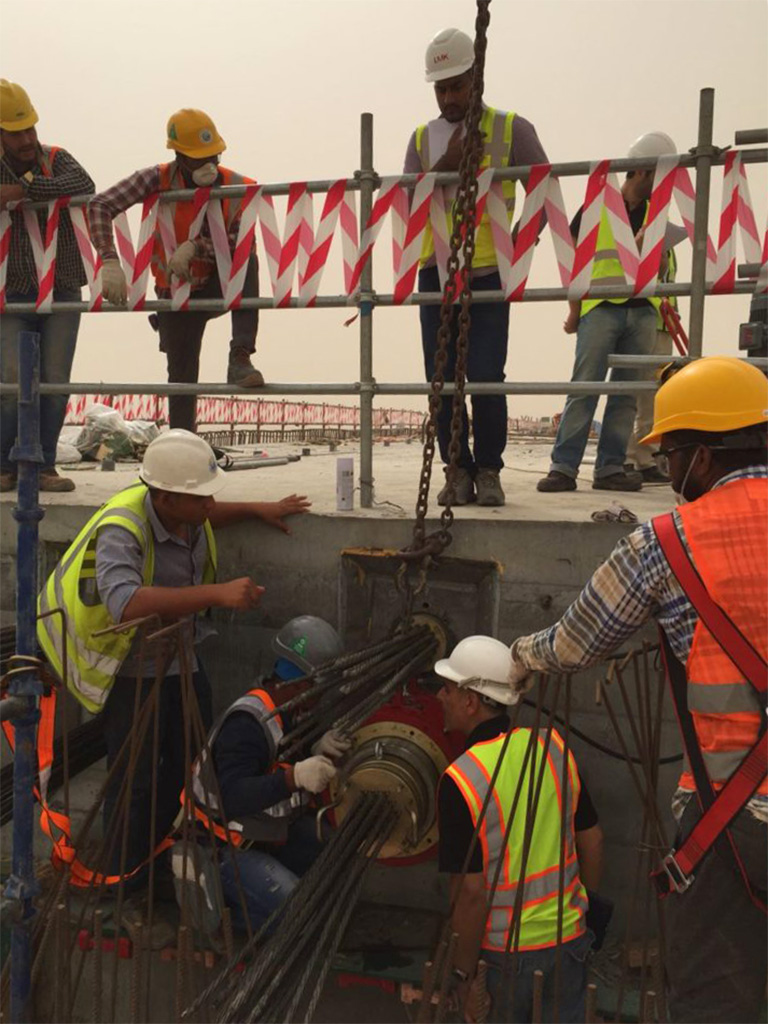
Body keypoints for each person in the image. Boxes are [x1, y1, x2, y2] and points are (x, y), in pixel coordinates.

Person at [508, 357, 768, 1023]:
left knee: (718, 997)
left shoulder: (665, 542)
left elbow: (574, 645)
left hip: (737, 818)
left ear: (703, 457)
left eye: (671, 454)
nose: (666, 470)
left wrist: (519, 655)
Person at [36, 429, 310, 883]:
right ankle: (125, 874)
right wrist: (218, 594)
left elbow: (207, 514)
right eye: (200, 499)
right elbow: (123, 600)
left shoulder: (183, 511)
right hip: (128, 665)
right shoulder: (121, 529)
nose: (208, 506)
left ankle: (165, 855)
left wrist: (257, 509)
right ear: (163, 497)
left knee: (195, 762)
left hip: (180, 655)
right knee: (133, 778)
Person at [404, 28, 549, 507]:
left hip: (488, 271)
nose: (449, 97)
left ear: (477, 77)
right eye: (440, 88)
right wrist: (443, 167)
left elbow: (544, 192)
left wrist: (518, 251)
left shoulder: (512, 129)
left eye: (457, 85)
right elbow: (405, 205)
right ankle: (456, 469)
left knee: (486, 376)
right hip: (436, 273)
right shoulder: (424, 139)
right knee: (441, 378)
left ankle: (488, 470)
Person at [434, 636, 604, 1023]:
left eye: (447, 688)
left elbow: (472, 893)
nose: (440, 697)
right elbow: (593, 840)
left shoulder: (462, 778)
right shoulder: (553, 747)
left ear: (471, 701)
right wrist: (584, 918)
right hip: (570, 942)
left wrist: (462, 974)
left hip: (506, 958)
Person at [88, 109, 263, 434]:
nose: (208, 165)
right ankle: (184, 444)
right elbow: (101, 205)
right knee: (181, 377)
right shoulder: (156, 178)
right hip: (175, 288)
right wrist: (109, 259)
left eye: (213, 156)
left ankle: (240, 356)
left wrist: (196, 246)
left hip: (218, 283)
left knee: (248, 262)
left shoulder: (238, 186)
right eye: (198, 159)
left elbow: (241, 241)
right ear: (179, 156)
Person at [186, 615, 349, 931]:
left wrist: (314, 747)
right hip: (223, 845)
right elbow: (231, 795)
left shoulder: (288, 709)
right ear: (301, 684)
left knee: (335, 863)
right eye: (320, 687)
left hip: (263, 832)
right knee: (297, 913)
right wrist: (294, 778)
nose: (322, 696)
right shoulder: (246, 725)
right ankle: (213, 912)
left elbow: (278, 755)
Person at [538, 131, 677, 494]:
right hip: (600, 307)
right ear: (643, 172)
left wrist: (652, 247)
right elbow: (572, 264)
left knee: (625, 394)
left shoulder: (656, 214)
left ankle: (610, 467)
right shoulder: (598, 207)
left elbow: (660, 270)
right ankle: (563, 468)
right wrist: (573, 311)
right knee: (585, 388)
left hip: (642, 310)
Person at [0, 79, 95, 492]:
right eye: (16, 132)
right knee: (10, 383)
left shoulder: (58, 159)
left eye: (29, 129)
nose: (26, 139)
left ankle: (43, 467)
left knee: (55, 381)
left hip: (61, 285)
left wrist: (24, 190)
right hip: (11, 288)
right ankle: (5, 466)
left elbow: (83, 186)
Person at [624, 250, 678, 482]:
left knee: (652, 398)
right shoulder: (644, 231)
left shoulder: (668, 241)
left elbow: (667, 280)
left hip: (664, 323)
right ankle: (624, 458)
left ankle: (645, 459)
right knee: (630, 396)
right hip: (646, 321)